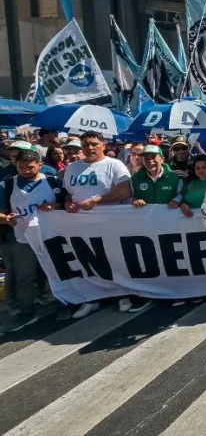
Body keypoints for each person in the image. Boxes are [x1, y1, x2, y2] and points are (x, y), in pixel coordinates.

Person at [62, 131, 134, 319]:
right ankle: (92, 298)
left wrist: (97, 201)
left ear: (103, 144)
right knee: (88, 261)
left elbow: (124, 190)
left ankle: (123, 294)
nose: (90, 147)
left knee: (115, 259)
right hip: (81, 225)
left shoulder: (114, 165)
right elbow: (69, 193)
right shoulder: (72, 168)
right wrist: (67, 203)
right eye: (85, 144)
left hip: (110, 223)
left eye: (94, 143)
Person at [0, 149, 64, 331]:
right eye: (21, 167)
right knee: (24, 277)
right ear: (15, 165)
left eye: (30, 167)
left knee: (57, 273)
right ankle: (27, 313)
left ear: (40, 165)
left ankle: (64, 304)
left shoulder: (53, 182)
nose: (26, 171)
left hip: (51, 236)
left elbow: (68, 205)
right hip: (22, 239)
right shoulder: (7, 185)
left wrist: (56, 205)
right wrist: (5, 219)